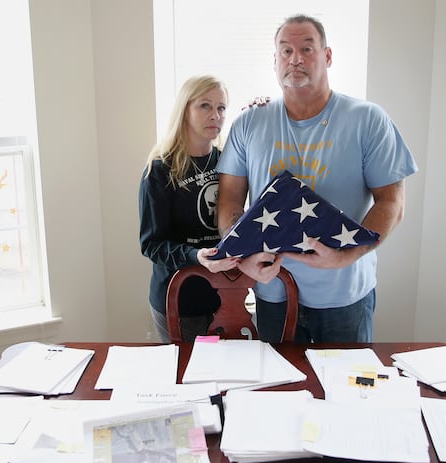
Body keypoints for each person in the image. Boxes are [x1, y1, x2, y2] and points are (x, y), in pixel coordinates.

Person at [216, 14, 418, 344]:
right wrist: (243, 258)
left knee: (348, 393)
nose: (295, 58)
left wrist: (346, 256)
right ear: (275, 60)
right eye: (286, 50)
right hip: (273, 295)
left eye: (307, 49)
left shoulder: (367, 120)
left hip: (345, 299)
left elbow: (393, 203)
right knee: (277, 393)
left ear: (327, 56)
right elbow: (229, 202)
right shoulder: (248, 123)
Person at [139, 75, 240, 343]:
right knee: (189, 381)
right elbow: (152, 244)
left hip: (226, 296)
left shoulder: (229, 162)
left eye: (221, 108)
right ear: (184, 111)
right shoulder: (159, 170)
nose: (215, 115)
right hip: (179, 302)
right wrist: (197, 256)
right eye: (205, 106)